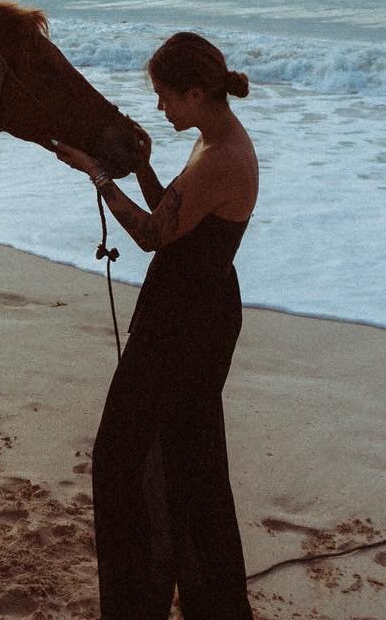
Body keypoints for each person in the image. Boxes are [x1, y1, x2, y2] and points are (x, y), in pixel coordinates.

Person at [54, 31, 257, 619]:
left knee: (121, 458)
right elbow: (176, 209)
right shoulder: (213, 139)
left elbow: (151, 234)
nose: (159, 108)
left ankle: (139, 601)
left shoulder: (221, 159)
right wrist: (142, 166)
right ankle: (199, 596)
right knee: (186, 459)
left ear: (196, 93)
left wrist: (97, 175)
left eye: (166, 96)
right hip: (193, 308)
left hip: (185, 326)